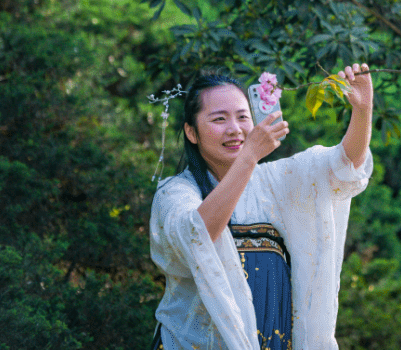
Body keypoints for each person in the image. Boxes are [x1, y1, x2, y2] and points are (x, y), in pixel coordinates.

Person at [149, 63, 374, 350]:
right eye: (219, 119)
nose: (234, 129)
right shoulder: (176, 193)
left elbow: (344, 167)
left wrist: (363, 110)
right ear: (191, 132)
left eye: (243, 117)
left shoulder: (275, 182)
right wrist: (249, 156)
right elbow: (197, 235)